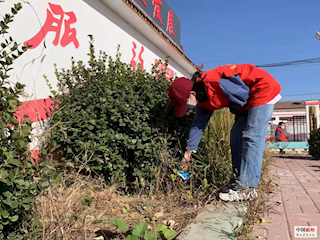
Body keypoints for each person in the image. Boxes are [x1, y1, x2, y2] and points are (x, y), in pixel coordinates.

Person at [168, 64, 281, 202]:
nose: (188, 108)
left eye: (185, 104)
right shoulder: (202, 99)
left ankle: (247, 188)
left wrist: (240, 114)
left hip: (262, 88)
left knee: (251, 136)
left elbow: (242, 95)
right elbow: (197, 127)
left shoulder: (214, 82)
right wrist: (188, 154)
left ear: (192, 94)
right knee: (235, 136)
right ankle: (238, 180)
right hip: (249, 99)